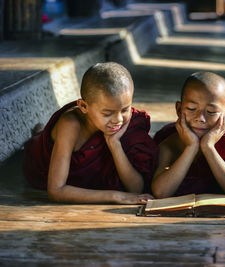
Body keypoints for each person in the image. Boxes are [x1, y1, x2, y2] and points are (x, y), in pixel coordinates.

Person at [23, 62, 157, 204]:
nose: (118, 120)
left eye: (124, 110)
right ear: (83, 106)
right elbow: (56, 190)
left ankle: (41, 132)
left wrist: (114, 144)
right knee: (39, 141)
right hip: (39, 162)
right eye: (107, 113)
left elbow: (136, 189)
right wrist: (116, 196)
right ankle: (40, 135)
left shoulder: (124, 119)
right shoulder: (71, 125)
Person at [152, 71, 225, 198]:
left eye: (211, 111)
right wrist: (191, 148)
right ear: (178, 109)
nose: (201, 118)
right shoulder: (170, 143)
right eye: (191, 109)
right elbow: (161, 192)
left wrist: (208, 147)